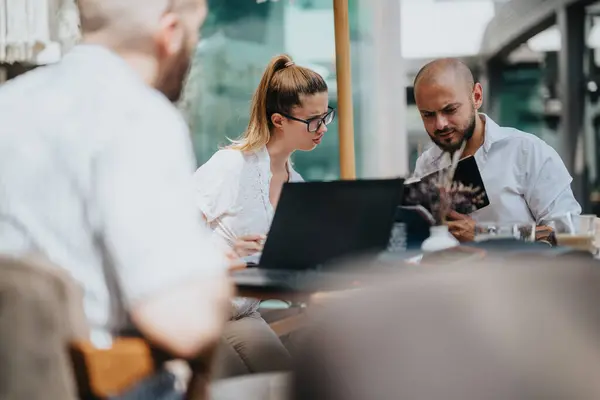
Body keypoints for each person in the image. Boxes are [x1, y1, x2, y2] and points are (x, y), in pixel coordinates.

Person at [0, 0, 245, 398]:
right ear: (170, 33)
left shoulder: (9, 103)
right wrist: (209, 275)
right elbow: (183, 323)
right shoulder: (137, 116)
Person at [193, 54, 334, 377]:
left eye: (326, 115)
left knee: (287, 383)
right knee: (232, 388)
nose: (323, 127)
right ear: (279, 120)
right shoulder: (231, 167)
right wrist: (225, 255)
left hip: (243, 314)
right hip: (201, 311)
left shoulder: (296, 185)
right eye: (313, 120)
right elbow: (169, 235)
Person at [412, 58, 581, 242]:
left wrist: (484, 234)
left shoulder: (527, 152)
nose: (440, 124)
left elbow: (568, 233)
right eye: (428, 115)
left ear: (476, 96)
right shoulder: (427, 164)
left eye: (450, 110)